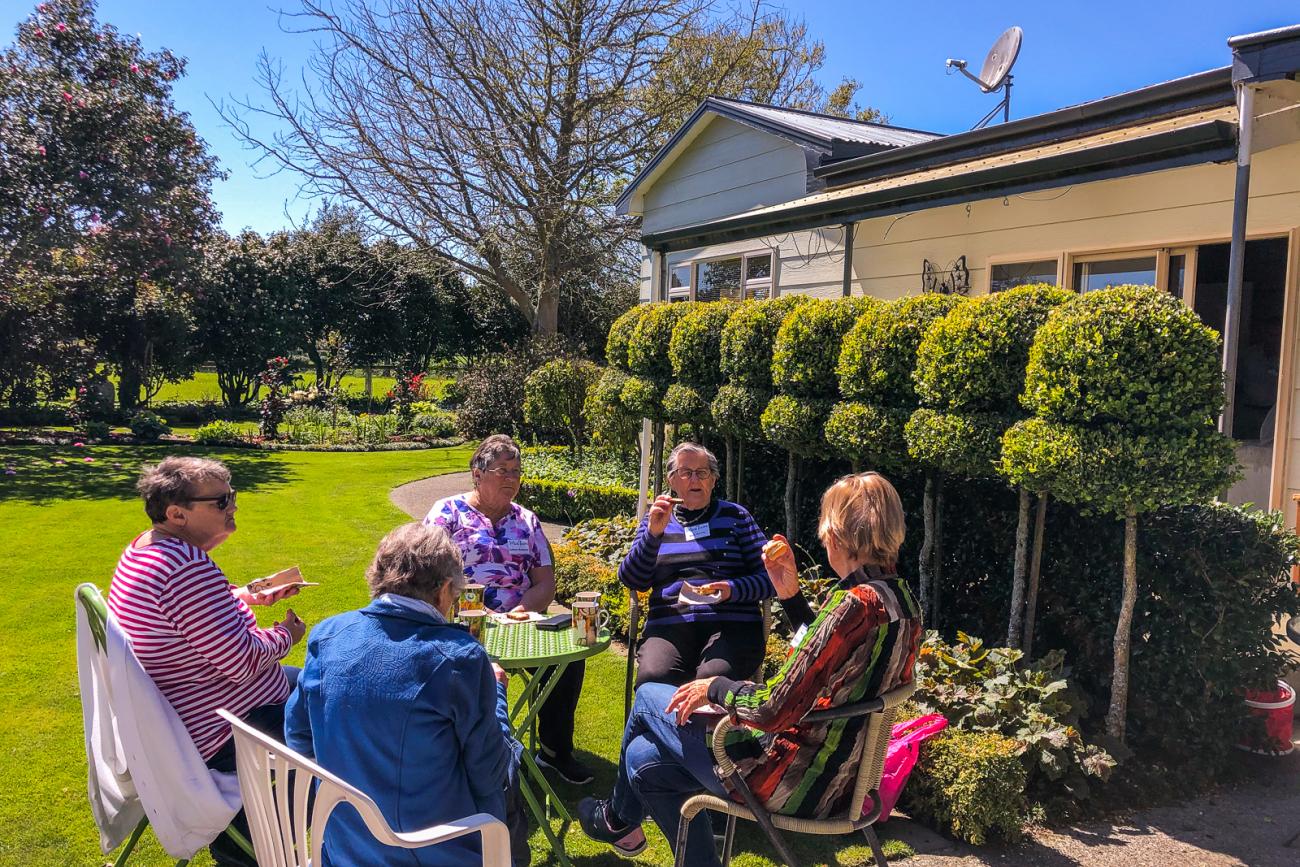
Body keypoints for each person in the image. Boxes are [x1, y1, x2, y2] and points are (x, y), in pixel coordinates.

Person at [578, 472, 923, 866]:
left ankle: (617, 819)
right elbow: (828, 656)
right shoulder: (900, 600)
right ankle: (630, 824)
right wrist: (790, 596)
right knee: (642, 760)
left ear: (838, 534)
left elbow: (772, 709)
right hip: (844, 778)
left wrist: (716, 688)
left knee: (646, 698)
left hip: (789, 779)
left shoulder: (852, 605)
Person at [284, 522, 529, 866]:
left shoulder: (329, 634)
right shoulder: (459, 657)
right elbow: (488, 772)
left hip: (343, 848)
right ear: (444, 589)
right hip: (433, 849)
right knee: (512, 756)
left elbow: (297, 735)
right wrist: (498, 694)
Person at [108, 457, 306, 867]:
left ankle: (259, 829)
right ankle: (259, 841)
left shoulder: (147, 550)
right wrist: (288, 635)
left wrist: (247, 596)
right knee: (347, 721)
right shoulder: (183, 570)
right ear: (177, 513)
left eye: (232, 494)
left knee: (325, 684)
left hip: (200, 707)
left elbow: (188, 616)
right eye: (221, 500)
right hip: (227, 724)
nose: (234, 505)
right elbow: (241, 661)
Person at [423, 434, 593, 785]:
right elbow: (425, 577)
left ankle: (554, 751)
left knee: (569, 658)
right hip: (459, 626)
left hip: (520, 621)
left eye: (516, 471)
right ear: (477, 472)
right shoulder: (447, 513)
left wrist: (520, 609)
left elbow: (545, 583)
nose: (511, 478)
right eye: (502, 470)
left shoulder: (526, 521)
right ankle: (468, 755)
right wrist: (472, 613)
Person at [619, 442, 772, 689]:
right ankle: (665, 728)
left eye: (702, 473)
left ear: (713, 480)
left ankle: (705, 728)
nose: (695, 479)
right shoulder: (656, 519)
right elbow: (632, 579)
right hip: (670, 626)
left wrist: (733, 588)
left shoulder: (736, 518)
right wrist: (653, 535)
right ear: (672, 480)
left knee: (709, 683)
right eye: (685, 472)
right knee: (654, 681)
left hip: (731, 625)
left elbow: (771, 577)